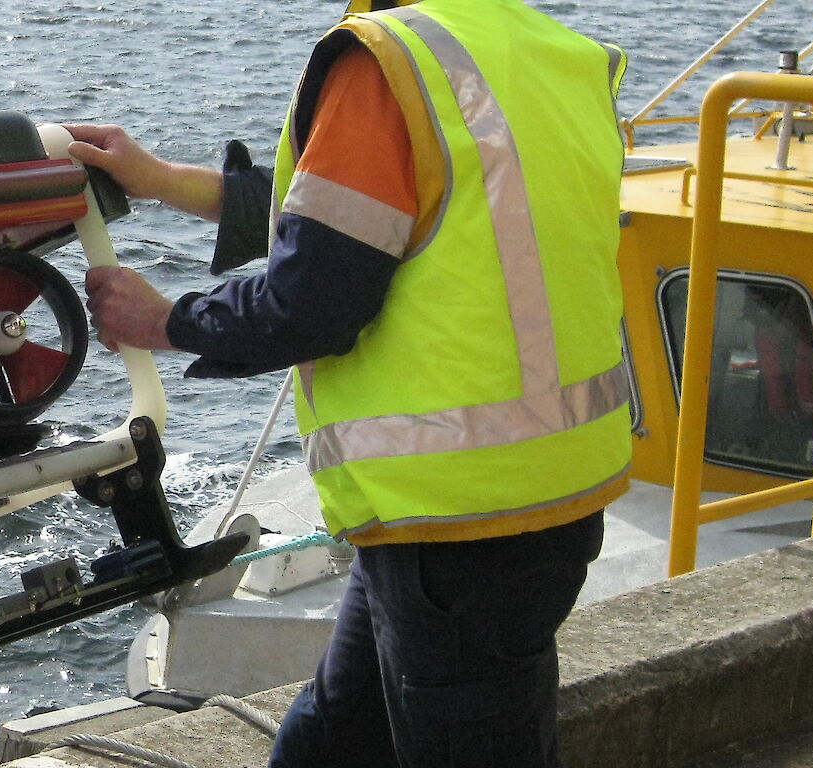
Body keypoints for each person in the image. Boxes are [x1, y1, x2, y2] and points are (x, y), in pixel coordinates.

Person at [68, 0, 632, 765]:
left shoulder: (387, 62)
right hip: (534, 494)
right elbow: (373, 211)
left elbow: (314, 301)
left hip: (454, 519)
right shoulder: (541, 49)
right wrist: (163, 180)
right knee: (335, 736)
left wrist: (165, 320)